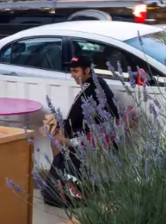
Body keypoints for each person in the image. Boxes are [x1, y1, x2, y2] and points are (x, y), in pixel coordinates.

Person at [42, 55, 120, 207]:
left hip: (96, 140)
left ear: (87, 70)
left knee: (57, 140)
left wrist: (61, 129)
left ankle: (63, 183)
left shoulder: (91, 89)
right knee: (57, 136)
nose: (73, 75)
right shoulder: (96, 84)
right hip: (92, 134)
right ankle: (64, 179)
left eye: (75, 71)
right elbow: (77, 117)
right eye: (71, 71)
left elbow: (77, 116)